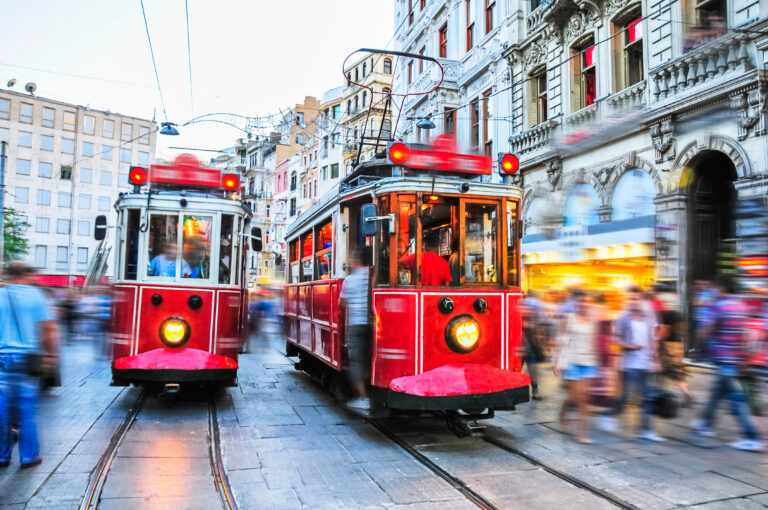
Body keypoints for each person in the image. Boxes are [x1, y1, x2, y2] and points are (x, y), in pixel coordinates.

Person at [691, 274, 764, 451]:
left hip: (724, 359)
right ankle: (705, 423)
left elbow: (705, 331)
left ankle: (751, 436)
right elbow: (747, 335)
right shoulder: (741, 306)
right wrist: (746, 358)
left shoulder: (717, 306)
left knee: (736, 399)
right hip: (735, 358)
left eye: (715, 287)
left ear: (722, 287)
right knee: (716, 392)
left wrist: (696, 350)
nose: (713, 290)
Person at [0, 263, 58, 468]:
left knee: (2, 408)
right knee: (27, 408)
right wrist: (50, 354)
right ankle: (29, 456)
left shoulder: (1, 295)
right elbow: (48, 328)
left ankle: (2, 455)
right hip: (27, 359)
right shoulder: (36, 296)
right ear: (25, 275)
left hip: (3, 360)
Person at [608, 286, 663, 442]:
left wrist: (656, 359)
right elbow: (616, 338)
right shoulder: (623, 318)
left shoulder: (649, 317)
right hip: (629, 364)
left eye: (636, 298)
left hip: (646, 363)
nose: (633, 301)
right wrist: (630, 346)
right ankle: (611, 415)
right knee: (626, 397)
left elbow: (654, 338)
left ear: (641, 300)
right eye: (630, 298)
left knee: (647, 397)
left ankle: (645, 430)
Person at [554, 289, 599, 444]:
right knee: (575, 398)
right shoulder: (569, 318)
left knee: (585, 400)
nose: (583, 304)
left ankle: (582, 433)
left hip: (589, 363)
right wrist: (558, 363)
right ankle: (564, 409)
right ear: (576, 303)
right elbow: (561, 341)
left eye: (586, 301)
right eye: (580, 301)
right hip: (572, 361)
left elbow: (595, 341)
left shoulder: (593, 320)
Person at [340, 250, 371, 411]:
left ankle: (363, 397)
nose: (349, 263)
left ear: (355, 260)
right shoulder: (372, 276)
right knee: (369, 359)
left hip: (356, 323)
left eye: (351, 260)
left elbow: (342, 302)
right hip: (372, 325)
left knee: (356, 362)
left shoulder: (349, 280)